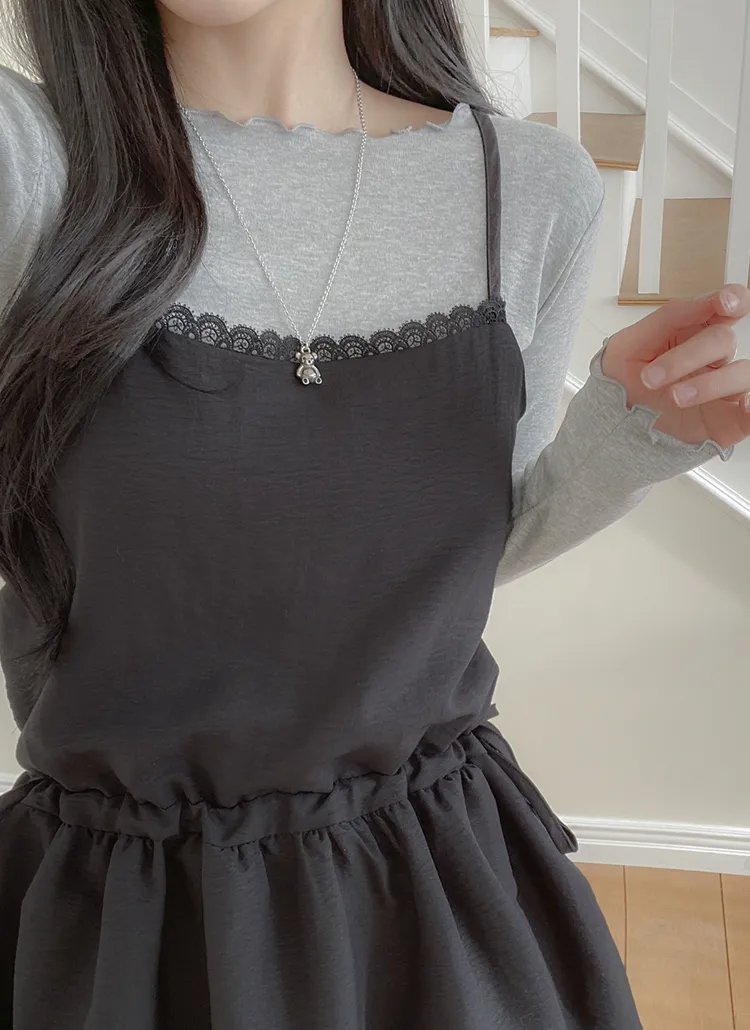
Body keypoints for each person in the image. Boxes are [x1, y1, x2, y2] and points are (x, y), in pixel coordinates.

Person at [0, 1, 748, 1027]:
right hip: (129, 922)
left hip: (433, 888)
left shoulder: (528, 188)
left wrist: (631, 440)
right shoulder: (31, 159)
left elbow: (454, 556)